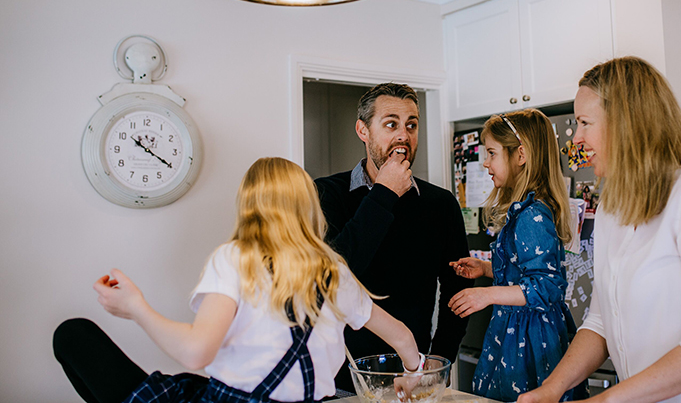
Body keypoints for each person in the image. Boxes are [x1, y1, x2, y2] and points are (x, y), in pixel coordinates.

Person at [518, 56, 681, 403]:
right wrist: (551, 389)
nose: (577, 138)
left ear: (626, 123)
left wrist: (606, 400)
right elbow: (599, 322)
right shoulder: (613, 204)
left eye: (585, 122)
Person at [53, 157, 424, 403]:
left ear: (248, 205)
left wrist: (136, 307)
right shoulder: (333, 270)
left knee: (72, 335)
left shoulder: (236, 258)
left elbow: (197, 352)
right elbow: (404, 338)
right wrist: (412, 374)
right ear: (308, 205)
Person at [314, 83, 472, 391]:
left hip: (414, 376)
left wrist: (438, 362)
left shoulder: (440, 204)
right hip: (339, 380)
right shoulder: (325, 194)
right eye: (391, 124)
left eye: (411, 125)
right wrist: (384, 194)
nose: (403, 135)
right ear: (363, 130)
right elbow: (334, 277)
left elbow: (458, 289)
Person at [449, 109, 579, 402]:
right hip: (513, 331)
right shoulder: (523, 211)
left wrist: (487, 295)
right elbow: (523, 271)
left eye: (492, 153)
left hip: (529, 340)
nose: (485, 162)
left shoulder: (533, 216)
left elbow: (547, 286)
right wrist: (485, 268)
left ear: (520, 155)